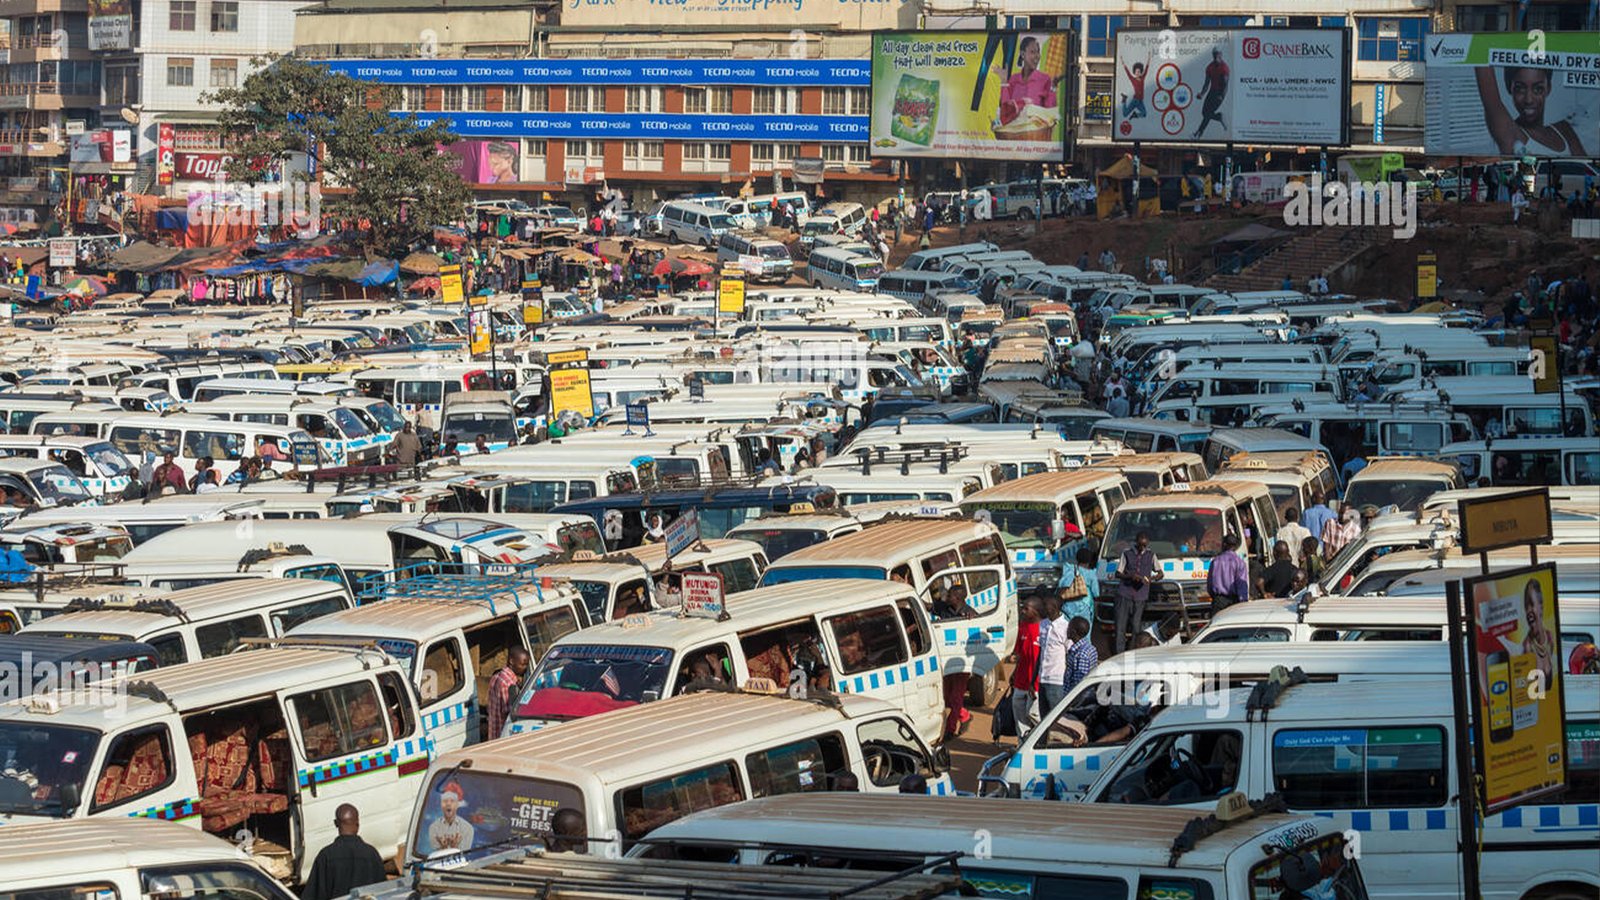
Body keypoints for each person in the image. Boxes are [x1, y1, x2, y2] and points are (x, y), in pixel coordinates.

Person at [1476, 66, 1588, 158]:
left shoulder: (1564, 129)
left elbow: (1587, 170)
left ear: (1548, 88)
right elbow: (1491, 99)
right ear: (1510, 88)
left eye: (1538, 89)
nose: (1528, 99)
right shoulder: (1511, 135)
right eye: (1520, 88)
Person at [301, 804, 386, 900]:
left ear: (336, 823)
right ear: (357, 823)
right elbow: (383, 891)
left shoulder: (325, 856)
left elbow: (312, 895)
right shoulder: (372, 854)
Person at [999, 36, 1062, 125]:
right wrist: (1004, 82)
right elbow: (1005, 110)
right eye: (1032, 52)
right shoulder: (1014, 79)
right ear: (1022, 54)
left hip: (1034, 135)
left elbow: (1049, 113)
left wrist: (1053, 87)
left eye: (1038, 52)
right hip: (1014, 134)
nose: (1037, 56)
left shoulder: (1044, 79)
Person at [1114, 532, 1158, 653]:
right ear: (1136, 542)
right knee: (1120, 627)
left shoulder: (1151, 555)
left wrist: (1151, 579)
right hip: (1124, 593)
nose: (1142, 548)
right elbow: (1118, 573)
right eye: (1140, 545)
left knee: (1136, 627)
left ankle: (1133, 652)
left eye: (1144, 545)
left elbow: (1160, 573)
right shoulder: (1127, 553)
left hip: (1141, 595)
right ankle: (1119, 653)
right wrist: (1130, 576)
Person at [1010, 595, 1042, 738]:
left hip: (1035, 684)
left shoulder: (1044, 629)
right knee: (1020, 718)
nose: (1022, 611)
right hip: (1020, 682)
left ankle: (1040, 741)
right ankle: (1022, 745)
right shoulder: (1022, 627)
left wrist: (1035, 685)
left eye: (1026, 608)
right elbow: (1019, 653)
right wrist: (1014, 672)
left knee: (1034, 714)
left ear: (1035, 611)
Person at [1036, 592, 1072, 716]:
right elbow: (1040, 651)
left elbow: (1069, 654)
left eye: (1046, 605)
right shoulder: (1043, 624)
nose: (1043, 608)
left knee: (1056, 718)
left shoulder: (1065, 627)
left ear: (1055, 607)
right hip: (1042, 678)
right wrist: (1034, 680)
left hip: (1057, 681)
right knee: (1043, 718)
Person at [486, 647, 530, 740]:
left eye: (526, 665)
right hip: (504, 734)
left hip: (493, 733)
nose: (525, 668)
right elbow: (510, 713)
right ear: (511, 661)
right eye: (522, 664)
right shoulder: (509, 683)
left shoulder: (496, 676)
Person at [1206, 534, 1249, 613]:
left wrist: (1215, 597)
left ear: (1224, 544)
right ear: (1235, 546)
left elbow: (1210, 584)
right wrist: (1243, 602)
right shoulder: (1240, 562)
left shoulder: (1215, 561)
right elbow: (1242, 585)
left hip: (1219, 601)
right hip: (1234, 601)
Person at [427, 782, 475, 851]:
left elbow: (465, 854)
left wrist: (453, 848)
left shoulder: (468, 829)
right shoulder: (433, 828)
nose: (448, 804)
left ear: (457, 805)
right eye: (445, 801)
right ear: (440, 805)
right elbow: (433, 852)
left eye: (452, 801)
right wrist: (444, 848)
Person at [1193, 48, 1229, 138]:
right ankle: (1219, 117)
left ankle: (1198, 133)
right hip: (1212, 91)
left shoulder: (1224, 68)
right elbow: (1206, 83)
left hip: (1220, 93)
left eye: (1218, 54)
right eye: (1215, 54)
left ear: (1221, 55)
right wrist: (1202, 94)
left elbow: (1225, 84)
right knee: (1204, 113)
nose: (1216, 56)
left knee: (1208, 113)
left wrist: (1221, 95)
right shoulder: (1210, 67)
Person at [1057, 547, 1098, 623]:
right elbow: (1096, 593)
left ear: (1077, 559)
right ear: (1089, 560)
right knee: (1084, 630)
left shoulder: (1068, 569)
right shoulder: (1091, 574)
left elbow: (1061, 585)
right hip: (1085, 606)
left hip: (1068, 606)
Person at [1061, 617, 1098, 695]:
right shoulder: (1090, 648)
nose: (1066, 630)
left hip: (1075, 699)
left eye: (1068, 628)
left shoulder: (1081, 655)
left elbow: (1078, 685)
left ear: (1073, 632)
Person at [1121, 54, 1150, 119]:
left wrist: (1149, 58)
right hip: (1135, 100)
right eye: (1136, 72)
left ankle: (1135, 115)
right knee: (1125, 114)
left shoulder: (1142, 78)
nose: (1137, 73)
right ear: (1134, 72)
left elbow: (1146, 69)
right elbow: (1127, 72)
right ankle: (1124, 100)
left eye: (1139, 71)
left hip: (1140, 101)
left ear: (1141, 72)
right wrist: (1123, 63)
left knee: (1144, 114)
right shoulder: (1133, 79)